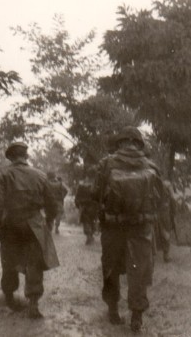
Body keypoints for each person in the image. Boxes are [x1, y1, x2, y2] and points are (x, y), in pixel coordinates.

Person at [93, 126, 165, 333]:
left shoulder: (106, 164)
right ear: (139, 143)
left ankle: (113, 309)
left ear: (119, 143)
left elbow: (95, 192)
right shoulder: (151, 165)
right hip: (141, 227)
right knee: (139, 269)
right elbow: (161, 199)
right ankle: (136, 316)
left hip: (113, 226)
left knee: (111, 267)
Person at [0, 142, 59, 319]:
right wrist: (49, 222)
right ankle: (33, 303)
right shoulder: (41, 175)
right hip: (34, 224)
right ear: (26, 156)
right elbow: (52, 202)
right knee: (34, 263)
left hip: (11, 224)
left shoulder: (4, 174)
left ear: (11, 157)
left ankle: (10, 299)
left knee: (9, 261)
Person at [75, 167, 99, 245]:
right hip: (94, 206)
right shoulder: (97, 185)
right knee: (93, 220)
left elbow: (77, 196)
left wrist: (78, 204)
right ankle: (91, 234)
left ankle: (89, 235)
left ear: (87, 175)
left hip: (84, 206)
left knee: (86, 221)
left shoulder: (82, 184)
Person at [155, 180, 176, 262]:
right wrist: (174, 210)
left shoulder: (150, 181)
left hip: (153, 210)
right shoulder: (167, 184)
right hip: (164, 210)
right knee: (165, 231)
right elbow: (172, 198)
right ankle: (166, 255)